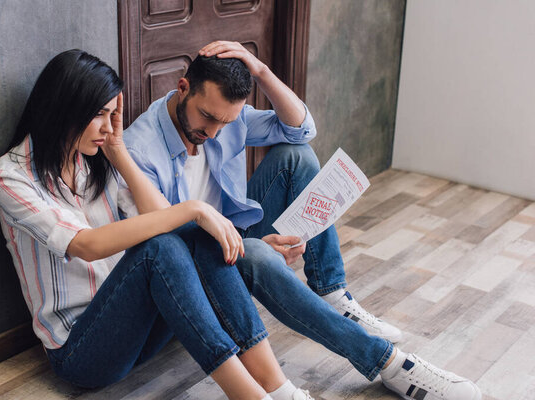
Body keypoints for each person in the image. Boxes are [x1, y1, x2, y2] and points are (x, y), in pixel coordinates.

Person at [120, 41, 482, 400]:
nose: (214, 132)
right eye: (209, 117)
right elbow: (166, 251)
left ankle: (332, 292)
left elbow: (301, 130)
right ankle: (391, 365)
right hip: (191, 272)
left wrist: (259, 70)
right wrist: (255, 246)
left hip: (229, 240)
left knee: (297, 156)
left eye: (225, 121)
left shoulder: (224, 118)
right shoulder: (140, 150)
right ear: (182, 87)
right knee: (255, 255)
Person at [0, 49, 334, 400]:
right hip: (82, 352)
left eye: (112, 115)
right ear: (64, 108)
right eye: (99, 115)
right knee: (163, 247)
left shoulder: (95, 160)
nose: (108, 128)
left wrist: (118, 151)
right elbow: (86, 245)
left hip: (139, 325)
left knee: (192, 238)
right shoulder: (10, 177)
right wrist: (194, 209)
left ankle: (280, 389)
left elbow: (168, 225)